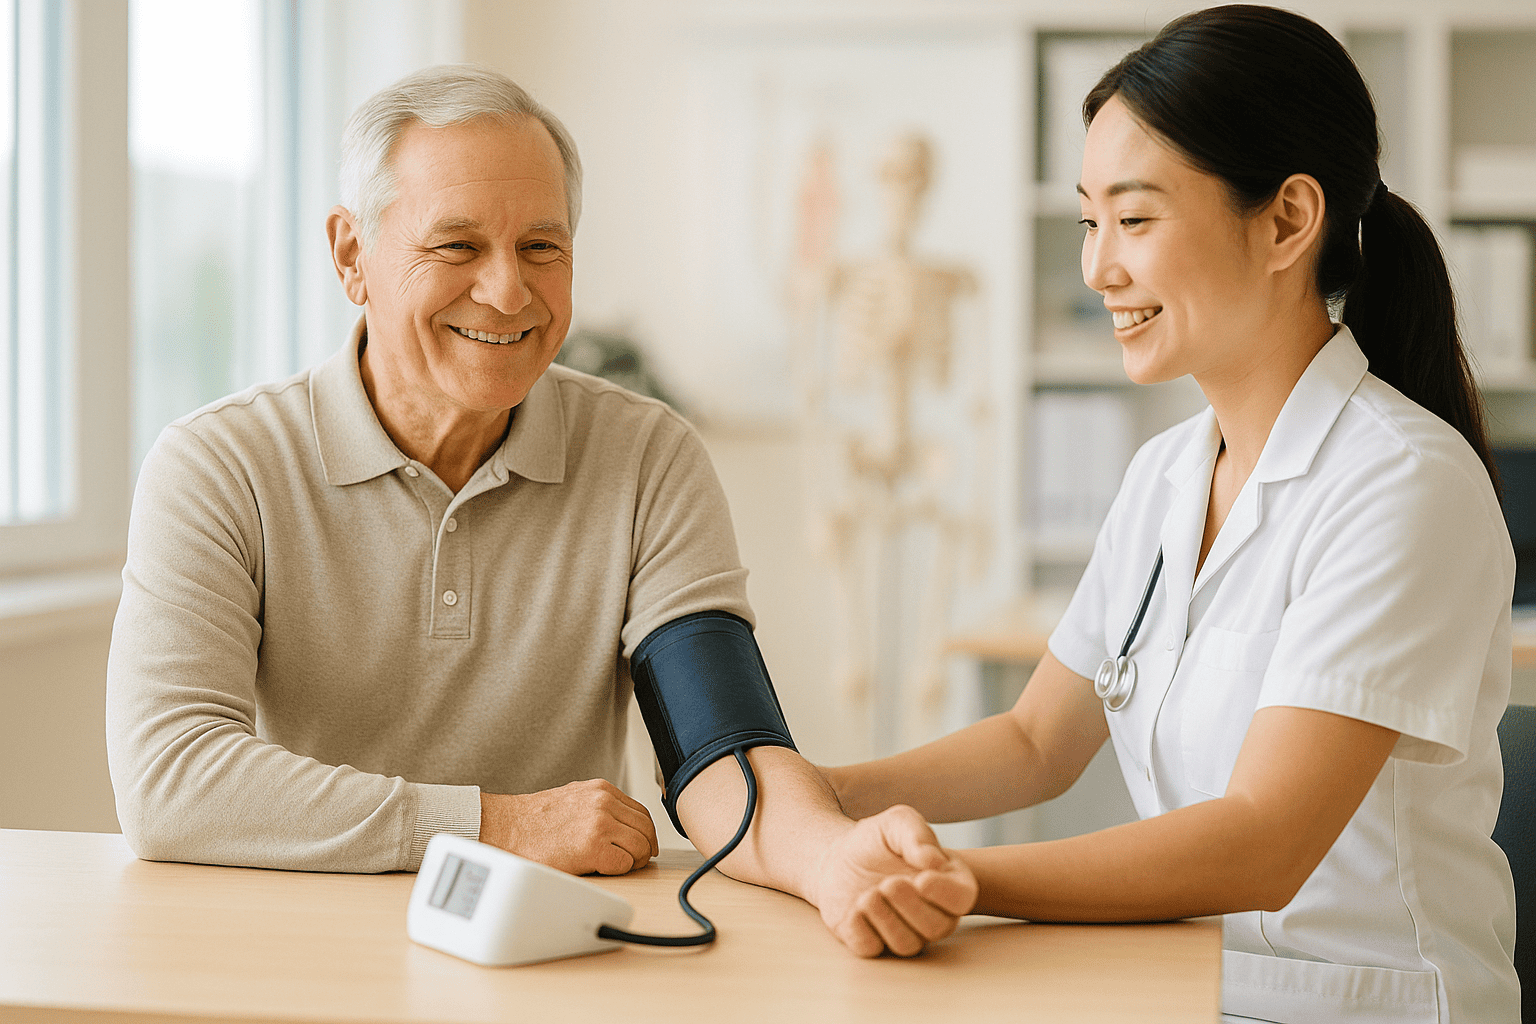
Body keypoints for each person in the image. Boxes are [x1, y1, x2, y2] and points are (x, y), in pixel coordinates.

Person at [106, 64, 976, 958]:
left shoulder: (646, 457)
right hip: (302, 955)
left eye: (541, 247)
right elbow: (171, 779)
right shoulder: (218, 466)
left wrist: (832, 859)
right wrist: (493, 824)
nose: (509, 292)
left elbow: (722, 750)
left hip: (550, 961)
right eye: (456, 247)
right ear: (351, 256)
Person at [822, 6, 1519, 1020]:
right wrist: (819, 798)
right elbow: (1035, 741)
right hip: (1194, 990)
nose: (1099, 267)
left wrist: (961, 886)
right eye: (1087, 222)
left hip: (1365, 1004)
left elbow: (1263, 841)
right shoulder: (1164, 473)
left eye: (1136, 219)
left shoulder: (1403, 483)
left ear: (1287, 220)